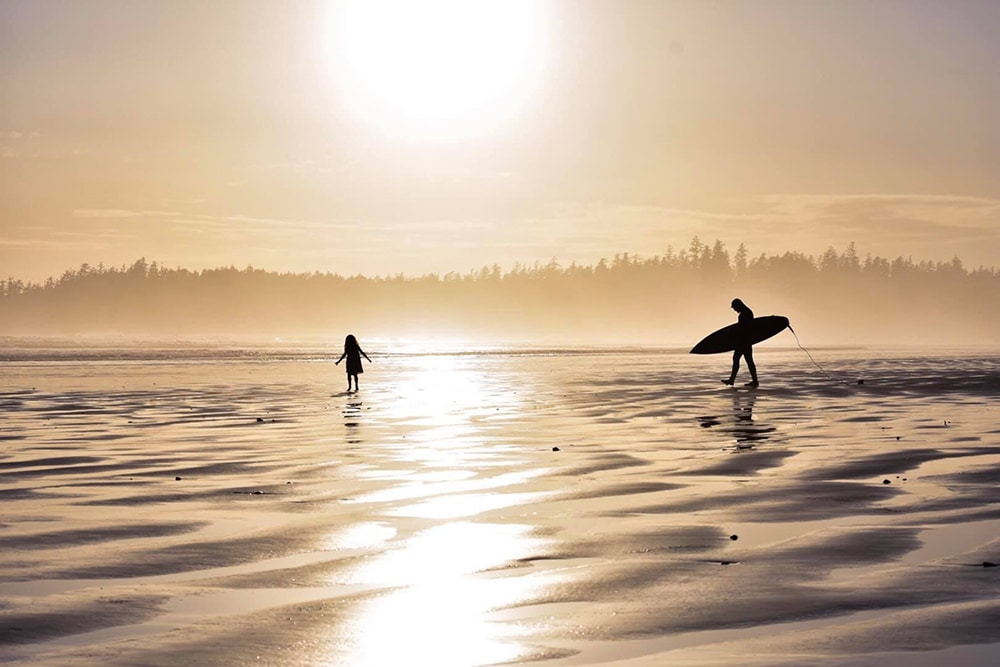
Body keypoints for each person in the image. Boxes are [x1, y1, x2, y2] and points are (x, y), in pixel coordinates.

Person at [722, 298, 759, 388]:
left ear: (738, 306)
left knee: (738, 359)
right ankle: (754, 381)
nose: (734, 309)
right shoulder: (747, 312)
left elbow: (743, 329)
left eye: (734, 307)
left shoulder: (744, 314)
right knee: (748, 360)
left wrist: (736, 340)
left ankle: (732, 380)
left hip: (743, 341)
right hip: (746, 341)